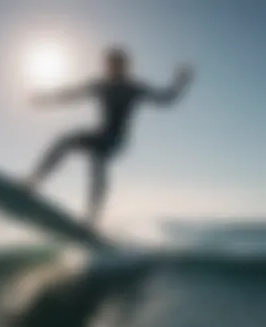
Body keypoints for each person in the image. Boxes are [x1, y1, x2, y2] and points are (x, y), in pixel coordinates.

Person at [26, 46, 194, 227]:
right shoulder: (101, 85)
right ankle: (33, 182)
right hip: (100, 134)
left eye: (117, 65)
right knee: (65, 141)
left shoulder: (133, 88)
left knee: (97, 159)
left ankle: (92, 218)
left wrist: (181, 81)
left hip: (117, 140)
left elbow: (166, 98)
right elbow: (70, 94)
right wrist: (45, 99)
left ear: (125, 67)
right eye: (110, 64)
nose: (112, 68)